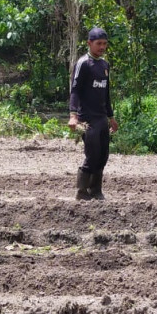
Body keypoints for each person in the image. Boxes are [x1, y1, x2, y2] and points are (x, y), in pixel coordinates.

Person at [68, 26, 119, 200]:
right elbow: (75, 90)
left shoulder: (105, 65)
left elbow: (106, 93)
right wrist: (73, 116)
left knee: (103, 155)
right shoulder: (83, 64)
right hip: (87, 119)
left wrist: (111, 117)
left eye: (105, 44)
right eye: (98, 44)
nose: (102, 47)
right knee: (92, 154)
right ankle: (82, 192)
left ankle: (96, 190)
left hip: (101, 118)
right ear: (89, 43)